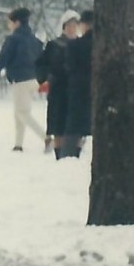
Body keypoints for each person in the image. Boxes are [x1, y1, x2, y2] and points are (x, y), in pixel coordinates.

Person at [0, 7, 43, 151]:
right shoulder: (35, 40)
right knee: (19, 112)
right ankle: (18, 144)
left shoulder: (13, 39)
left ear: (16, 22)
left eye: (10, 22)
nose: (9, 25)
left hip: (20, 79)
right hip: (34, 79)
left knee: (22, 113)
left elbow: (4, 57)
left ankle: (46, 138)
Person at [37, 11, 80, 154]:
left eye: (74, 26)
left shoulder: (82, 45)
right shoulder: (53, 45)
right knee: (58, 125)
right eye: (69, 25)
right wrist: (45, 79)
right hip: (58, 91)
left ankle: (75, 150)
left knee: (76, 126)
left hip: (76, 91)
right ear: (64, 27)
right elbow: (42, 64)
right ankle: (58, 151)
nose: (72, 29)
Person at [56, 11, 94, 160]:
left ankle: (70, 154)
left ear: (83, 25)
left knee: (74, 126)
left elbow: (69, 67)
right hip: (99, 90)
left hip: (78, 90)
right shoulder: (105, 44)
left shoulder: (74, 45)